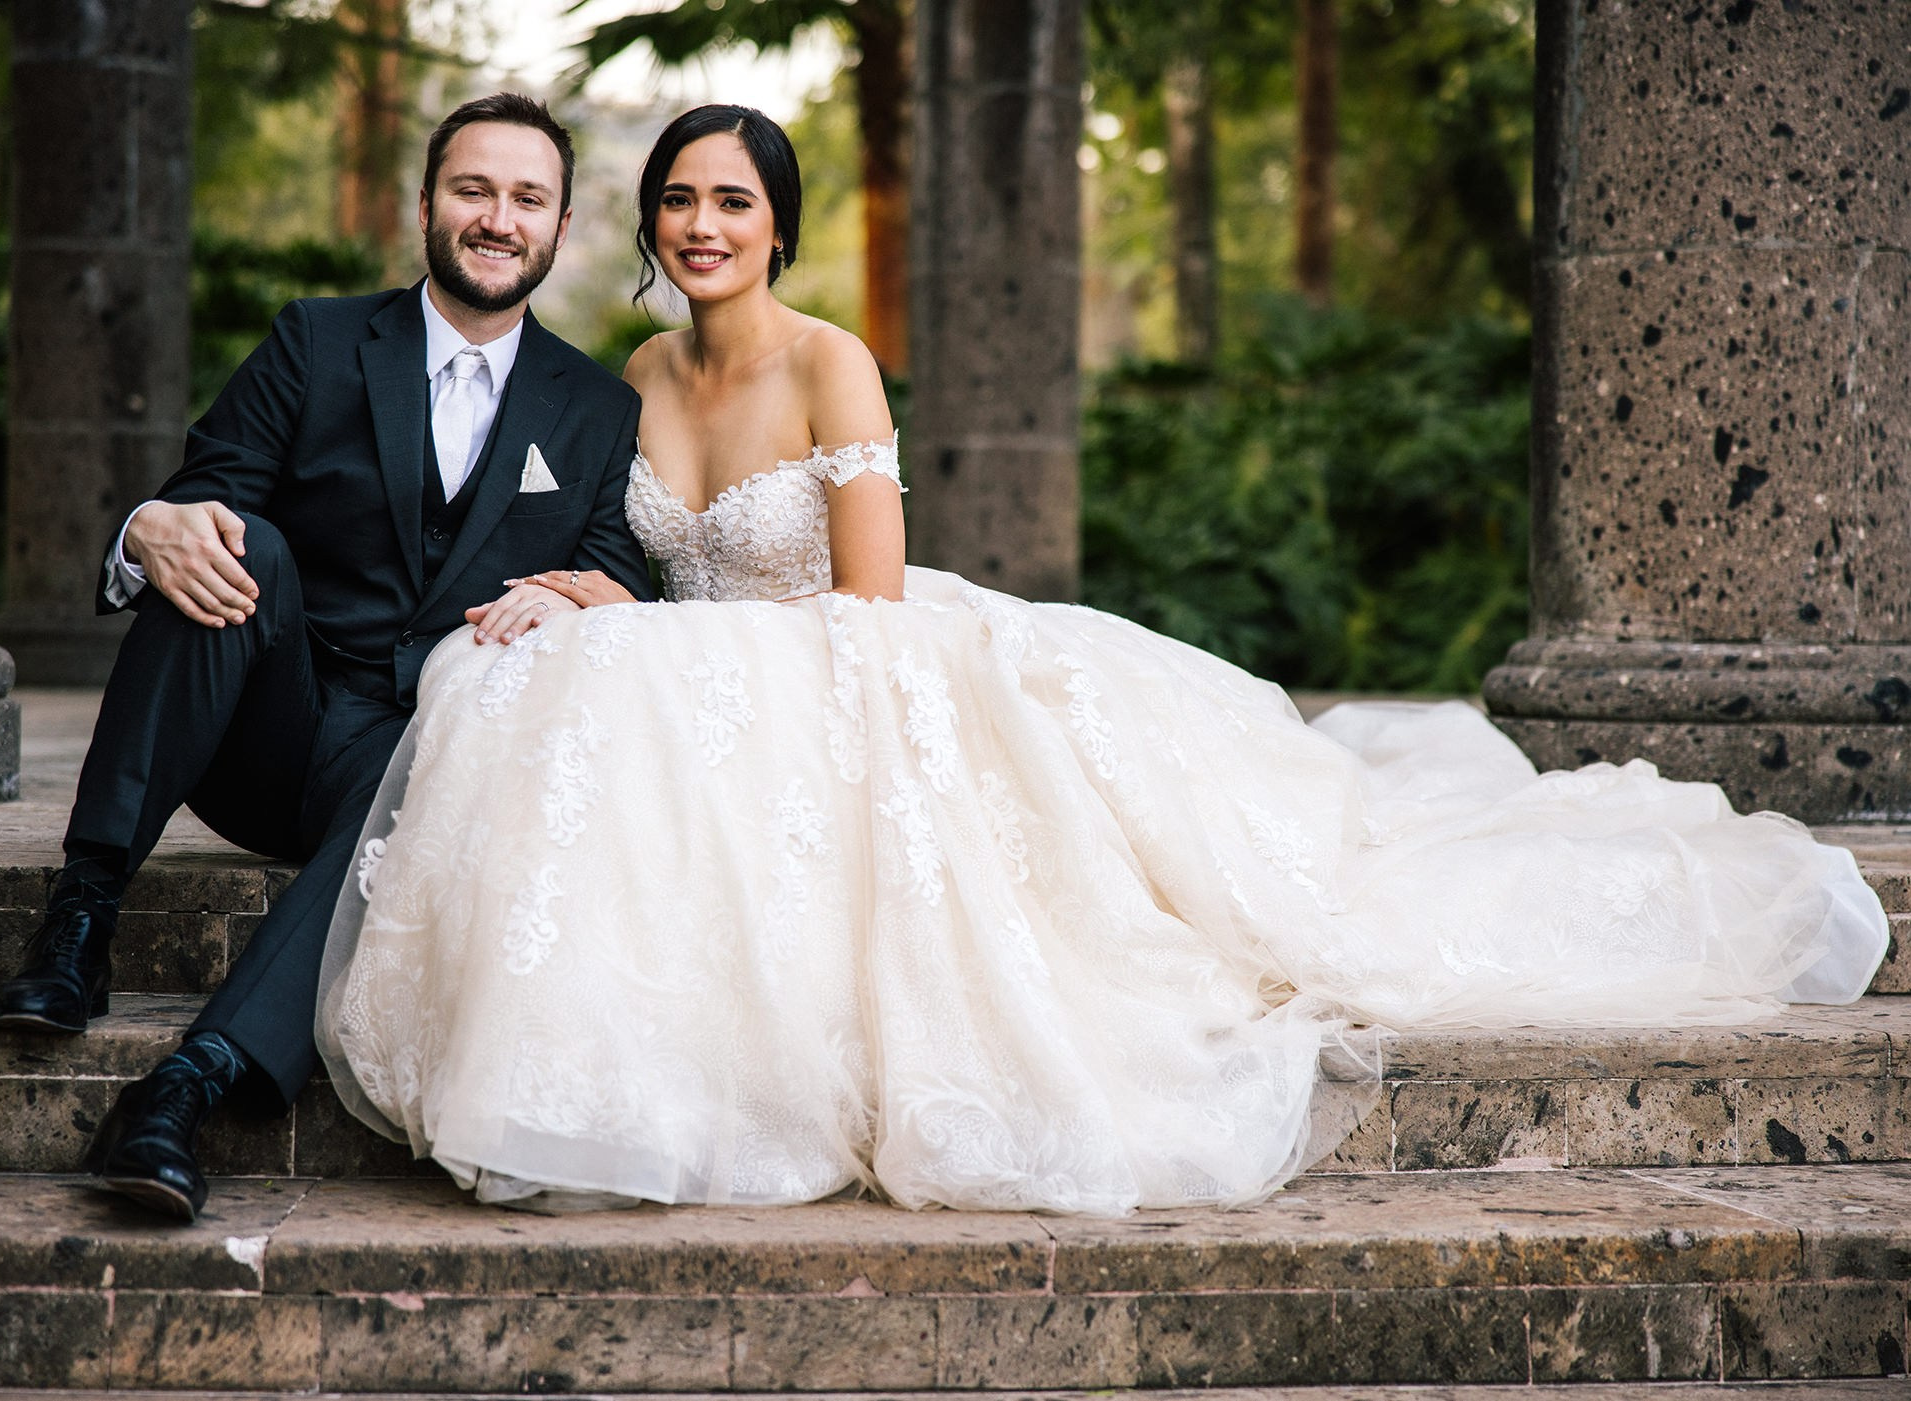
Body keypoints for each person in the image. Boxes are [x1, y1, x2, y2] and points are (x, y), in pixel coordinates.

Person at [316, 105, 1890, 1217]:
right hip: (723, 685)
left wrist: (656, 630)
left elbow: (864, 605)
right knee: (557, 688)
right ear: (645, 225)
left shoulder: (830, 359)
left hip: (859, 662)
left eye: (734, 201)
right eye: (680, 201)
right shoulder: (631, 373)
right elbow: (619, 545)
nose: (705, 226)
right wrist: (597, 595)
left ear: (777, 223)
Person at [0, 93, 653, 1221]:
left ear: (562, 224)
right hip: (266, 728)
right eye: (473, 190)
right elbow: (212, 486)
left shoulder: (595, 406)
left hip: (417, 755)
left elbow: (621, 566)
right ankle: (83, 915)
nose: (498, 217)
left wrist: (585, 594)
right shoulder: (320, 338)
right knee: (244, 543)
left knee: (447, 779)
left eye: (526, 198)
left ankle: (183, 1093)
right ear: (428, 203)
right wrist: (152, 525)